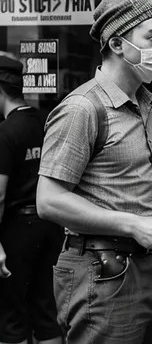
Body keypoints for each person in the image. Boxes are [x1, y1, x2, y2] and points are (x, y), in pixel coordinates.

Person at [36, 0, 152, 344]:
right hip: (103, 269)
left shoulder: (146, 105)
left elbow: (130, 178)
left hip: (148, 267)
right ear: (118, 43)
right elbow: (49, 201)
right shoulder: (82, 107)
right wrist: (134, 223)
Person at [0, 53, 63, 344]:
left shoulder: (5, 133)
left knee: (12, 317)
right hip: (50, 224)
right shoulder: (46, 122)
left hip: (17, 230)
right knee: (46, 312)